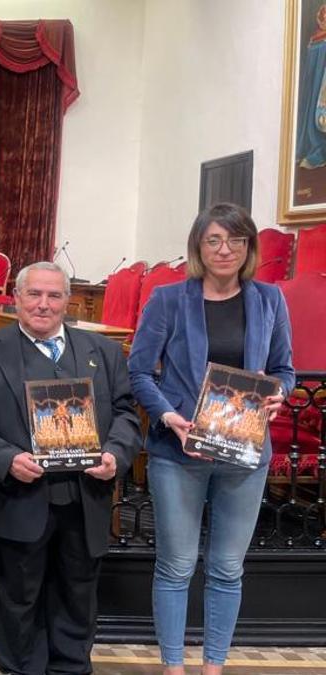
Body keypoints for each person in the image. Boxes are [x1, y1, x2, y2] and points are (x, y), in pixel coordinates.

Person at [128, 203, 294, 675]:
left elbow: (284, 367)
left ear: (248, 248)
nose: (225, 250)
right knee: (177, 566)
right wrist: (166, 414)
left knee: (226, 568)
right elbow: (139, 371)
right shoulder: (167, 299)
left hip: (245, 452)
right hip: (179, 450)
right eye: (214, 240)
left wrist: (279, 393)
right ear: (198, 247)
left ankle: (214, 665)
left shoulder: (268, 300)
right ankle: (174, 666)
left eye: (236, 241)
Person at [0, 261, 141, 675]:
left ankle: (71, 669)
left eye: (54, 295)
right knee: (18, 599)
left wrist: (115, 453)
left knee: (78, 595)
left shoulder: (104, 353)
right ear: (16, 298)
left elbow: (127, 413)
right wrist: (5, 460)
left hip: (85, 496)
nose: (43, 304)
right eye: (34, 294)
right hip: (19, 497)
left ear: (67, 300)